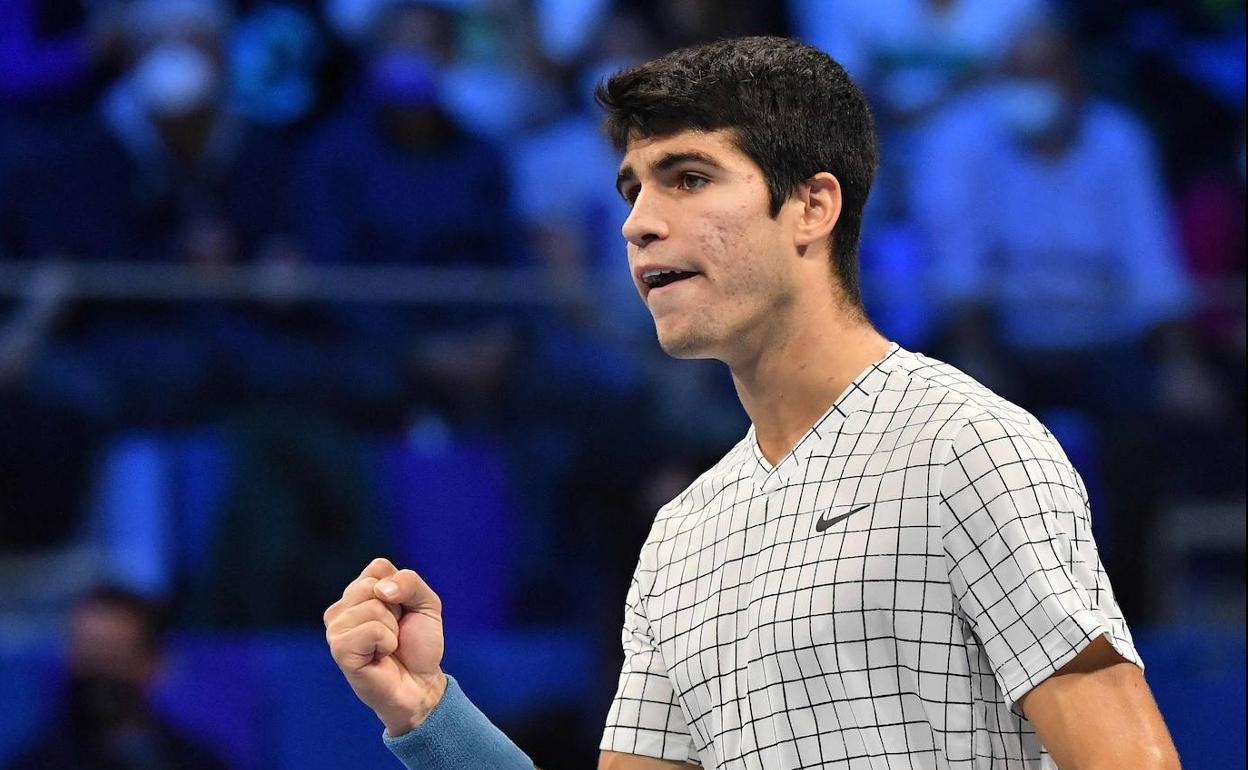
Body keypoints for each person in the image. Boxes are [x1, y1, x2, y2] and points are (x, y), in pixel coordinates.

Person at [322, 37, 1181, 769]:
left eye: (687, 178)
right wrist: (428, 715)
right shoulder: (680, 537)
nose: (639, 223)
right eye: (633, 190)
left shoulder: (969, 448)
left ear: (812, 205)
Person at [4, 586, 231, 770]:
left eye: (113, 656)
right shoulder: (38, 762)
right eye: (88, 656)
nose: (99, 673)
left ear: (153, 663)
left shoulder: (193, 760)